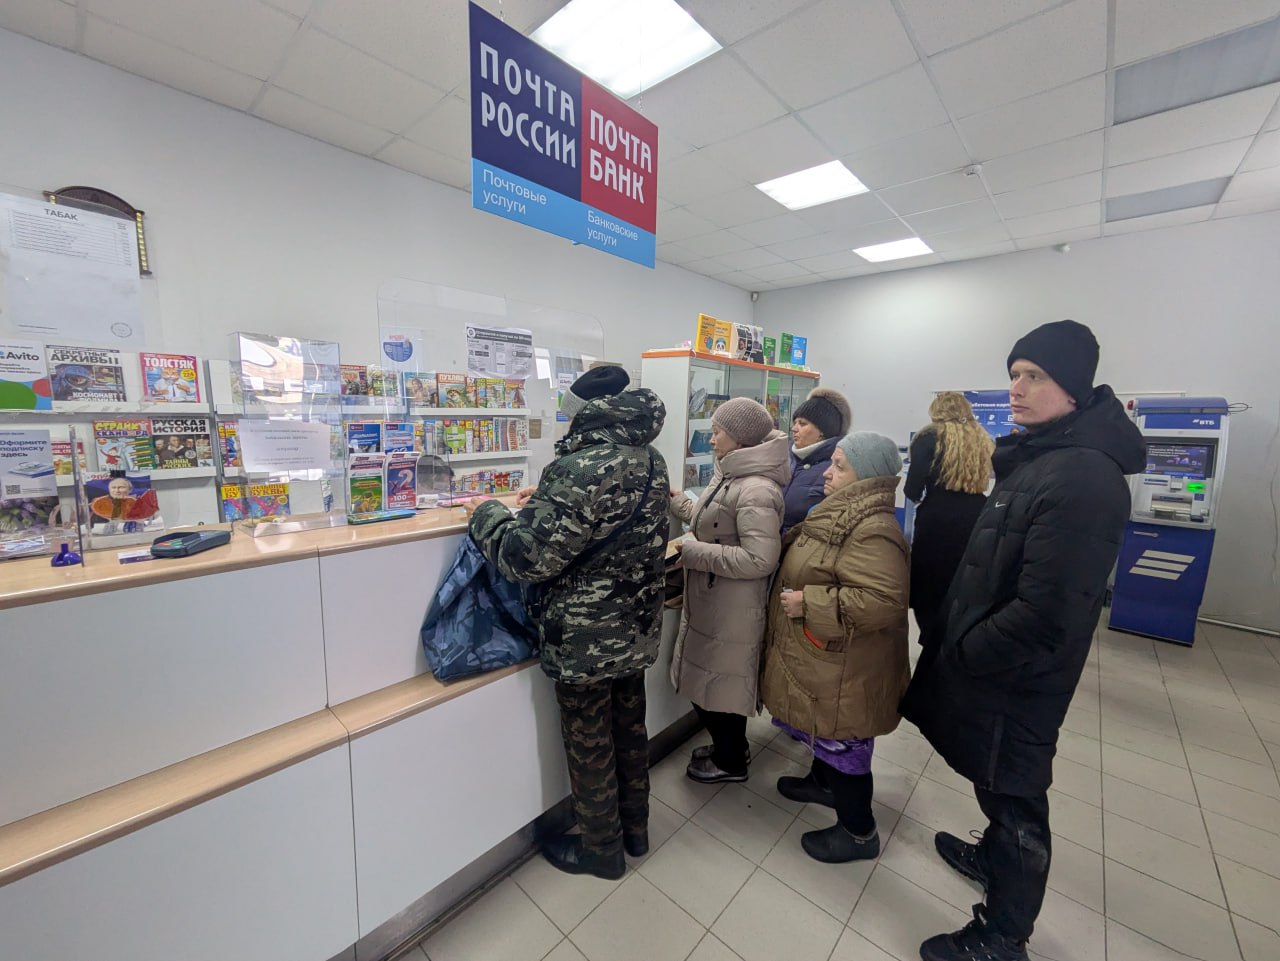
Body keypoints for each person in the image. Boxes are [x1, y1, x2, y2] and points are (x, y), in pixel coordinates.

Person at [902, 320, 1144, 961]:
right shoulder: (1042, 459)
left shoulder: (1084, 477)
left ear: (1073, 387)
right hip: (999, 670)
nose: (1016, 388)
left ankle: (1002, 935)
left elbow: (1047, 613)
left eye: (1034, 376)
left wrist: (967, 651)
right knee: (994, 782)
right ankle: (991, 858)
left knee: (1015, 799)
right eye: (1014, 374)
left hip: (1017, 678)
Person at [467, 365, 669, 882]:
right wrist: (548, 498)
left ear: (583, 413)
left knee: (590, 743)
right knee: (630, 729)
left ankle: (601, 850)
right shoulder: (649, 456)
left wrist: (485, 513)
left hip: (585, 635)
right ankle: (636, 831)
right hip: (636, 625)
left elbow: (524, 558)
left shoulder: (579, 467)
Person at [762, 431, 910, 863]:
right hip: (830, 656)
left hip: (847, 664)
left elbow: (882, 602)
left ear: (866, 475)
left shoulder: (872, 529)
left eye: (840, 466)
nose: (828, 472)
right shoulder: (843, 512)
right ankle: (822, 784)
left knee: (845, 744)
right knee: (826, 732)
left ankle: (859, 832)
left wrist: (810, 602)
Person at [669, 397, 788, 783]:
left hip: (734, 606)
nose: (711, 438)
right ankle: (731, 748)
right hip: (716, 598)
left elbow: (760, 559)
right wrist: (680, 504)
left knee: (721, 687)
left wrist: (694, 553)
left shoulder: (756, 489)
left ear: (739, 438)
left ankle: (731, 761)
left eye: (717, 431)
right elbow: (715, 520)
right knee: (713, 683)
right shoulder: (732, 474)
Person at [904, 392, 994, 642]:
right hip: (977, 515)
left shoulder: (929, 437)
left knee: (929, 587)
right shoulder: (982, 438)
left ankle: (930, 642)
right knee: (963, 584)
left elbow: (912, 489)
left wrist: (922, 499)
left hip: (937, 519)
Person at [781, 387, 852, 533]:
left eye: (802, 424)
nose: (794, 428)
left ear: (822, 431)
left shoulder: (834, 469)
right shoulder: (785, 457)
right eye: (795, 422)